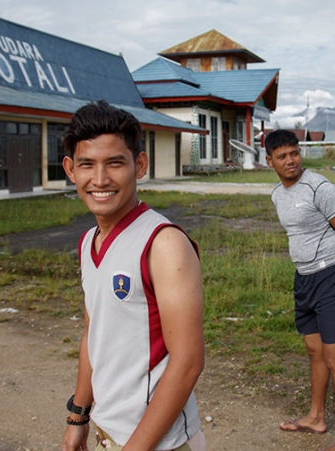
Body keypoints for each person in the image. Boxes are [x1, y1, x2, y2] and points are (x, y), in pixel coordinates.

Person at [60, 100, 205, 451]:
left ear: (139, 165)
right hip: (108, 431)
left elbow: (188, 362)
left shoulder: (163, 243)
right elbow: (94, 333)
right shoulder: (88, 242)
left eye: (114, 163)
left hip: (160, 442)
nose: (99, 180)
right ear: (70, 170)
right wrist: (79, 415)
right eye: (87, 165)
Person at [265, 129, 335, 451]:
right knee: (314, 351)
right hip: (303, 279)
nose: (290, 160)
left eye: (294, 153)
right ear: (270, 161)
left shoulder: (319, 186)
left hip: (330, 280)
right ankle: (316, 417)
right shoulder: (278, 195)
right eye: (282, 156)